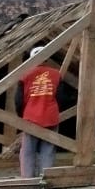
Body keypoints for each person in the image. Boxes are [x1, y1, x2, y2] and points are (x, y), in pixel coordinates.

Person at [15, 47, 63, 178]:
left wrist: (21, 116)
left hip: (31, 117)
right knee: (48, 150)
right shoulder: (56, 74)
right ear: (46, 58)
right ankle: (45, 179)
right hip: (50, 117)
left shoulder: (25, 75)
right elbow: (60, 98)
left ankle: (28, 179)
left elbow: (18, 100)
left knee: (28, 151)